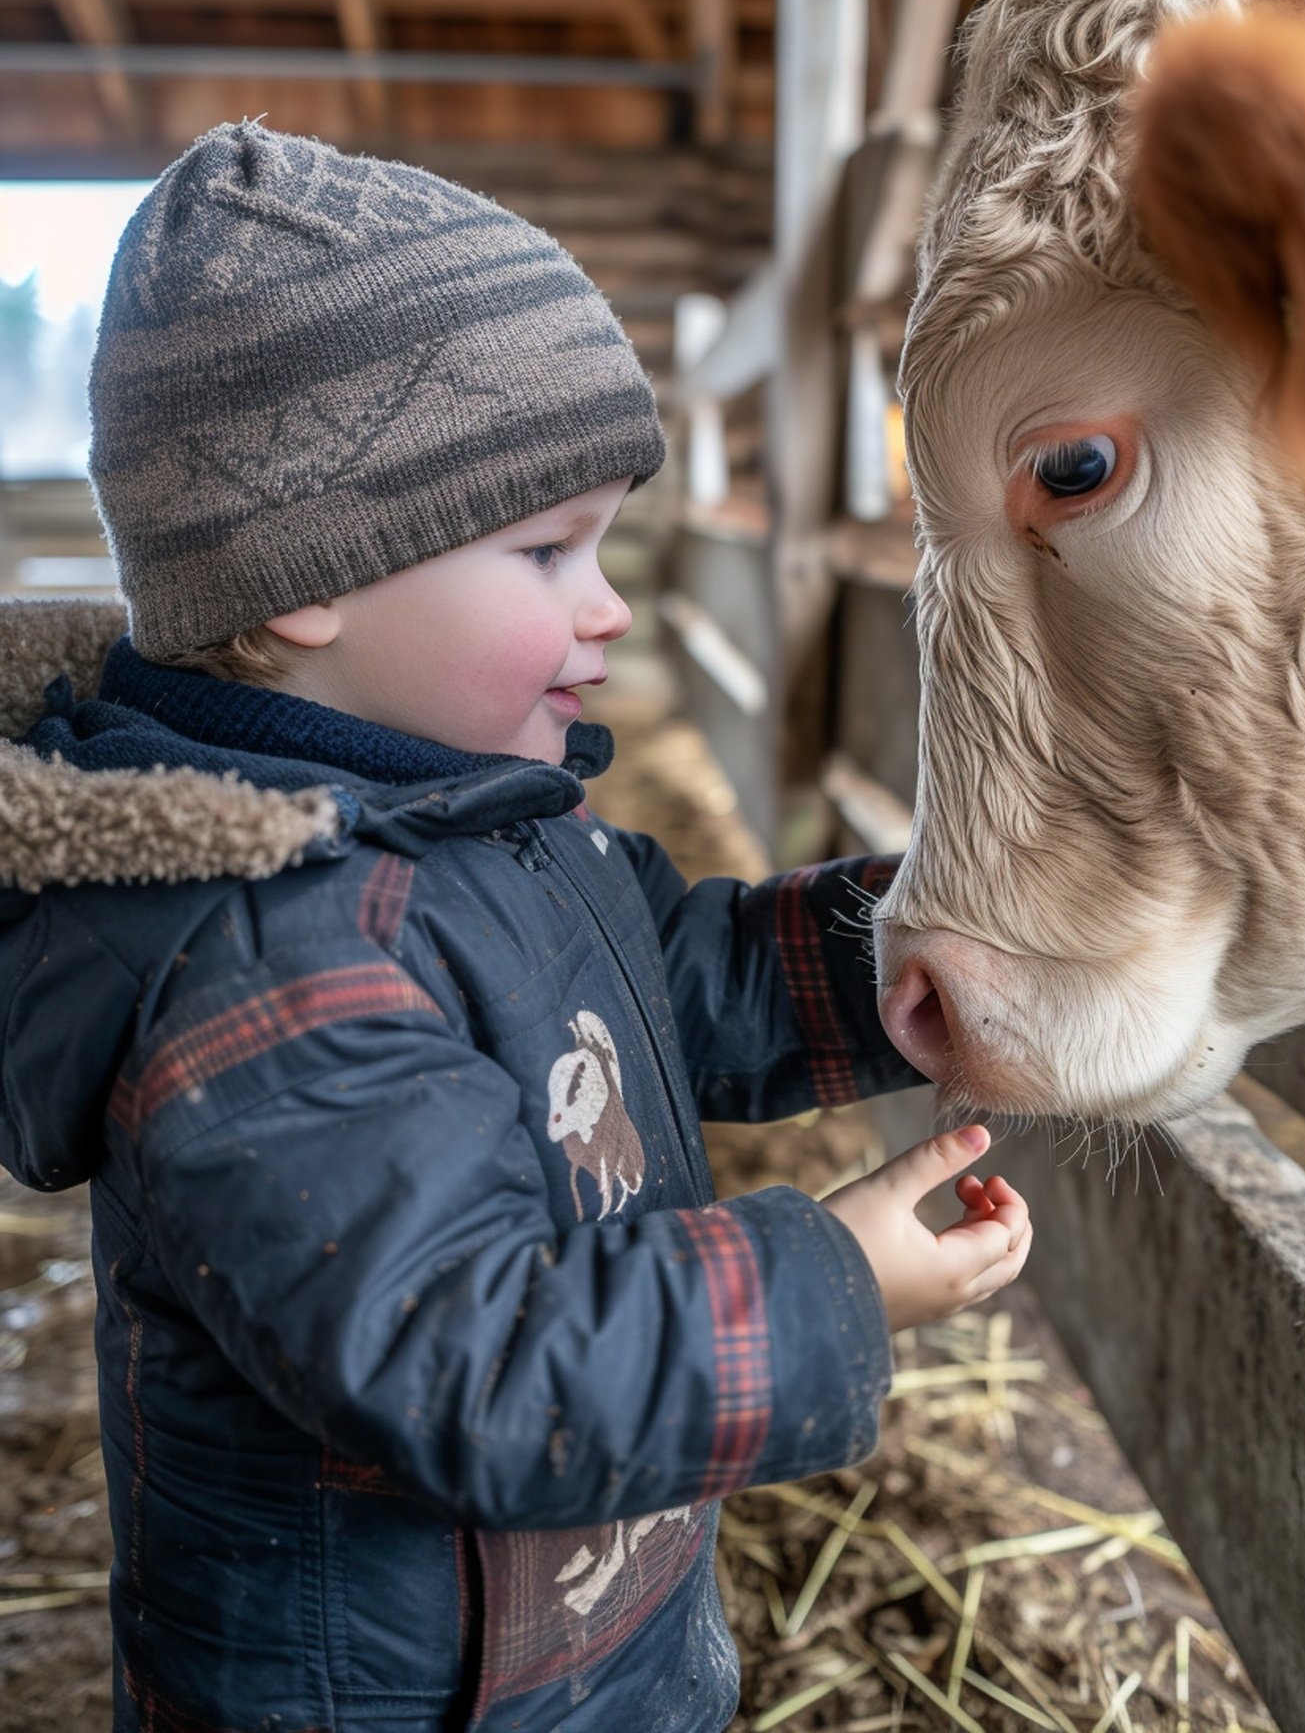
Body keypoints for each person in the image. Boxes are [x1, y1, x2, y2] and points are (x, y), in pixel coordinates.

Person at [0, 122, 1031, 1733]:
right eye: (545, 549)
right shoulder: (256, 960)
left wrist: (893, 950)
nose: (608, 603)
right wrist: (837, 1279)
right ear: (303, 586)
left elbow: (670, 984)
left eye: (604, 542)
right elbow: (465, 1360)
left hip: (581, 1661)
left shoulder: (466, 819)